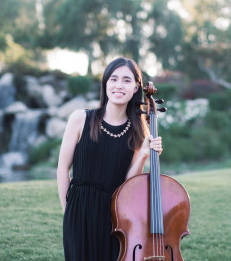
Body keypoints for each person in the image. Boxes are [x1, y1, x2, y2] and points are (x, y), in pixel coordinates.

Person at [57, 57, 163, 261]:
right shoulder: (80, 119)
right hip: (79, 210)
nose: (119, 85)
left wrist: (143, 155)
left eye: (126, 80)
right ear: (105, 83)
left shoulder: (139, 131)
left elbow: (128, 184)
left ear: (135, 88)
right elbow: (62, 170)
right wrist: (68, 213)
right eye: (113, 79)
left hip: (115, 216)